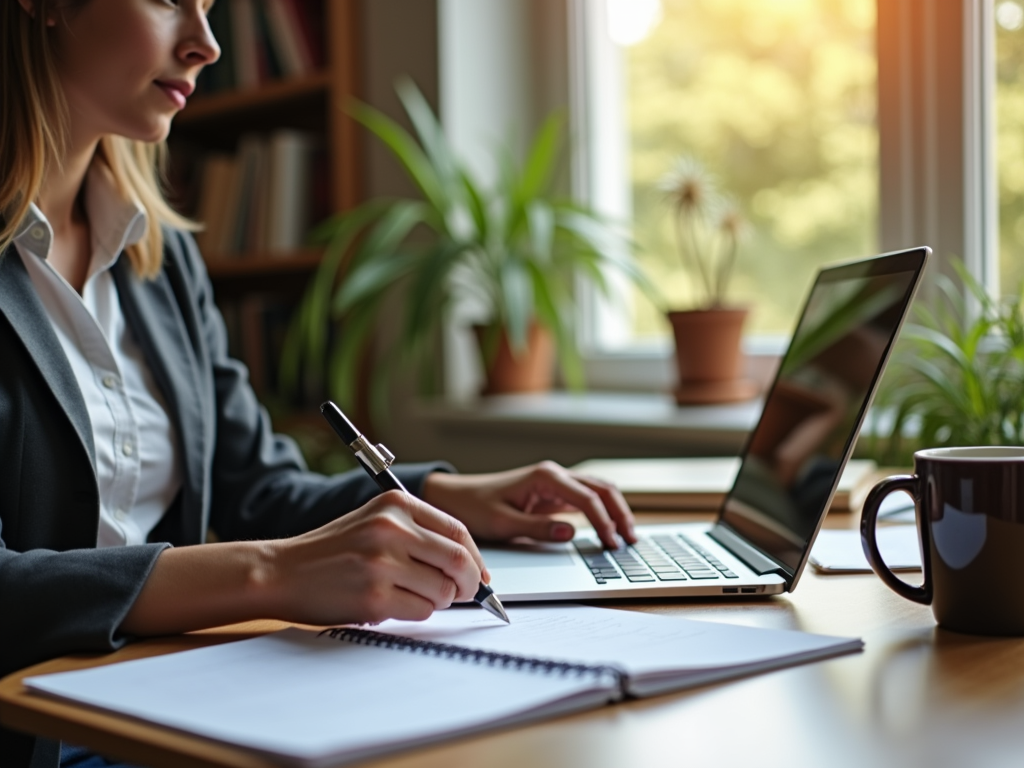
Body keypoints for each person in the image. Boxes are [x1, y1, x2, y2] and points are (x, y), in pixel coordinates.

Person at [0, 2, 637, 766]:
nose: (206, 45)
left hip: (159, 701)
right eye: (169, 0)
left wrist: (437, 495)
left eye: (210, 7)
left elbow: (256, 489)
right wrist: (270, 572)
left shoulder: (159, 260)